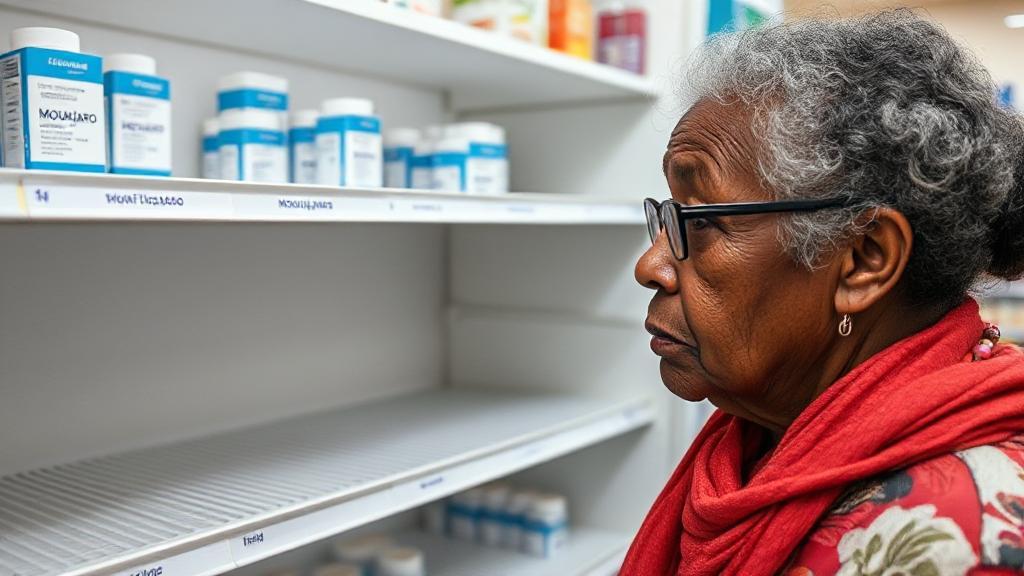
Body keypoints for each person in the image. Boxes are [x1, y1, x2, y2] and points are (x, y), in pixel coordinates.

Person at [622, 9, 1024, 575]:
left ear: (863, 261)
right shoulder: (765, 433)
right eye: (667, 215)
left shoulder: (950, 538)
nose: (651, 265)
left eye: (701, 221)